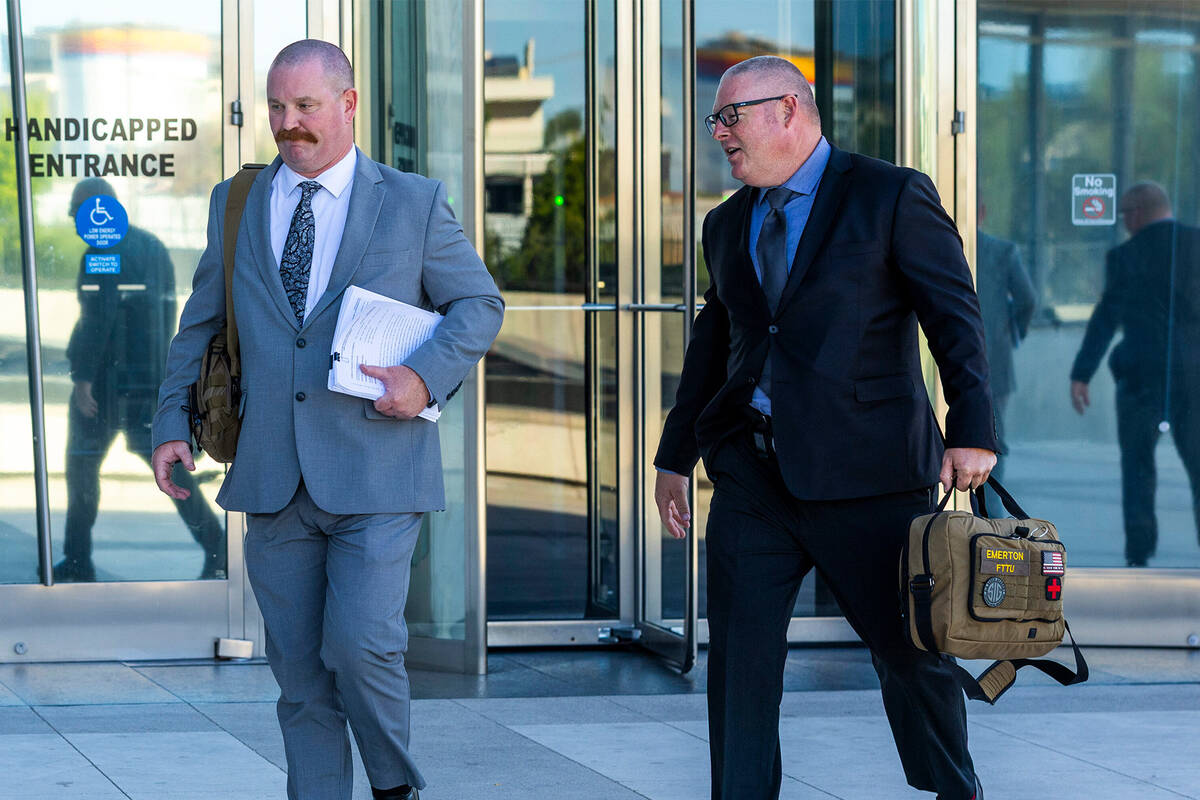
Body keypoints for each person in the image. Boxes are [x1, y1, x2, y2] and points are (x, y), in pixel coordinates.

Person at [150, 40, 504, 800]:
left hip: (378, 467)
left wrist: (423, 376)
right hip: (272, 472)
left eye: (305, 106)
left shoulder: (411, 201)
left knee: (363, 646)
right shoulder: (236, 201)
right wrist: (170, 420)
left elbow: (479, 304)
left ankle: (392, 786)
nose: (288, 123)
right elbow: (200, 323)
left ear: (348, 104)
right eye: (277, 107)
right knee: (299, 671)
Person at [653, 56, 997, 800]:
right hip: (753, 477)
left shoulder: (890, 193)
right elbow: (717, 343)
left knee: (909, 656)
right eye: (715, 119)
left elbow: (954, 316)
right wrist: (674, 456)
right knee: (739, 666)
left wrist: (971, 426)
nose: (719, 133)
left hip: (871, 476)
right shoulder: (725, 222)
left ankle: (954, 790)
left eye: (730, 117)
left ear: (788, 110)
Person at [57, 177, 225, 582]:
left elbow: (98, 320)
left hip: (107, 385)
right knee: (172, 470)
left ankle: (77, 562)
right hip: (148, 380)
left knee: (81, 469)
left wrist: (83, 379)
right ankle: (218, 549)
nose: (73, 219)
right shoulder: (152, 247)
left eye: (77, 211)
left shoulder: (102, 252)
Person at [1069, 182, 1200, 567]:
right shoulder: (1197, 245)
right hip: (1195, 376)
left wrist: (1082, 372)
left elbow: (1106, 318)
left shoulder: (1125, 256)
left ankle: (1139, 555)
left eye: (1125, 213)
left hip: (1141, 376)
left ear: (1138, 212)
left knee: (1138, 468)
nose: (1124, 221)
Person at [975, 201, 1036, 505]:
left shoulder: (937, 244)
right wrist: (1012, 333)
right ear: (983, 212)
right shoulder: (1002, 252)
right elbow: (1027, 300)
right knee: (992, 439)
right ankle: (990, 512)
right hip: (994, 360)